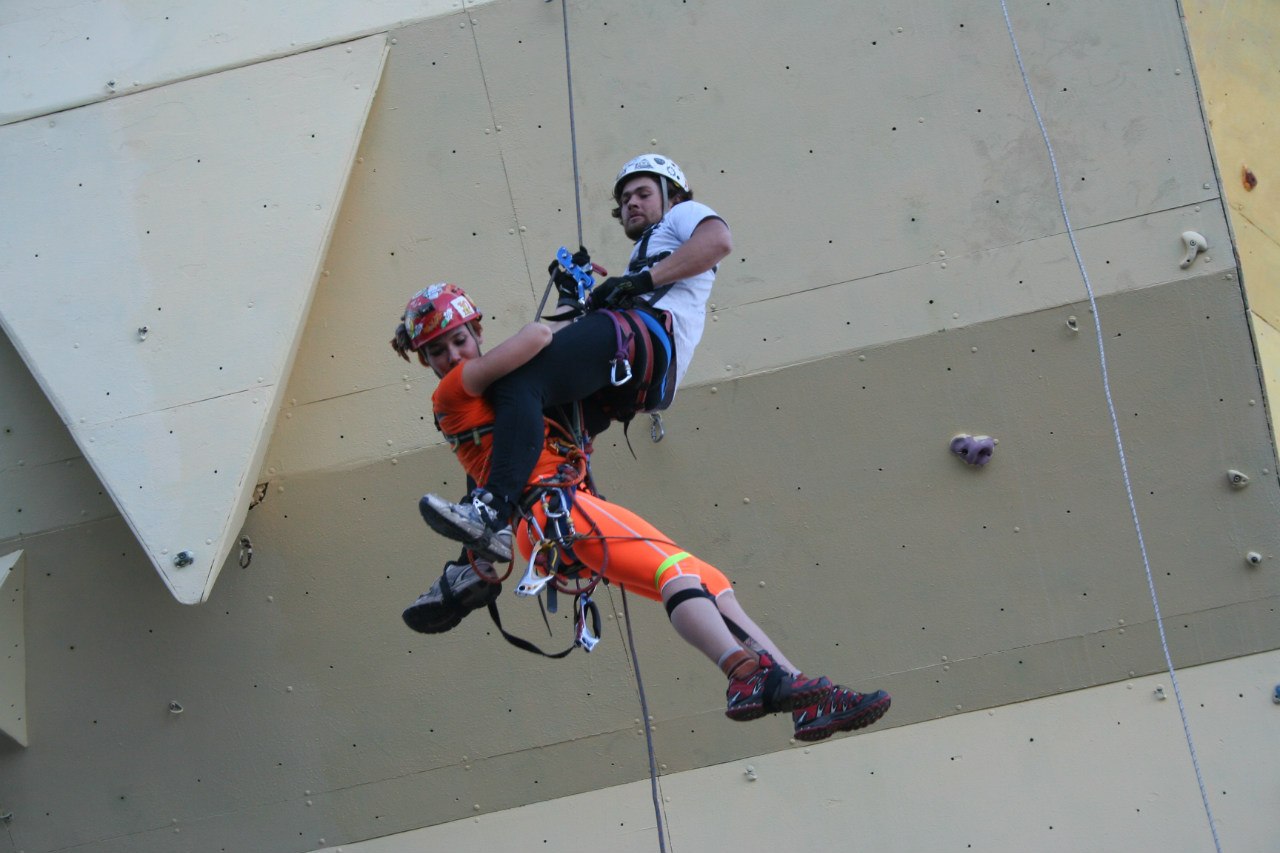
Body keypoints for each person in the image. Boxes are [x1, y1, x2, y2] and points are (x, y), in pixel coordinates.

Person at [395, 282, 891, 741]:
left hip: (562, 514)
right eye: (437, 350)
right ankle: (743, 674)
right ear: (427, 361)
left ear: (476, 332)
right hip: (550, 513)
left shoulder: (501, 403)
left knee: (709, 579)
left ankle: (804, 694)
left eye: (457, 341)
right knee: (673, 571)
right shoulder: (456, 388)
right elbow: (538, 336)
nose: (450, 356)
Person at [404, 154, 732, 564]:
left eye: (643, 193)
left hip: (645, 338)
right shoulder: (648, 254)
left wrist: (637, 281)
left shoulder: (682, 216)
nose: (631, 202)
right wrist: (572, 295)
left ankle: (491, 510)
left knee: (516, 380)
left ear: (673, 195)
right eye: (625, 197)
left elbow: (718, 241)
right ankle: (476, 561)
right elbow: (572, 339)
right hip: (634, 366)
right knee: (512, 419)